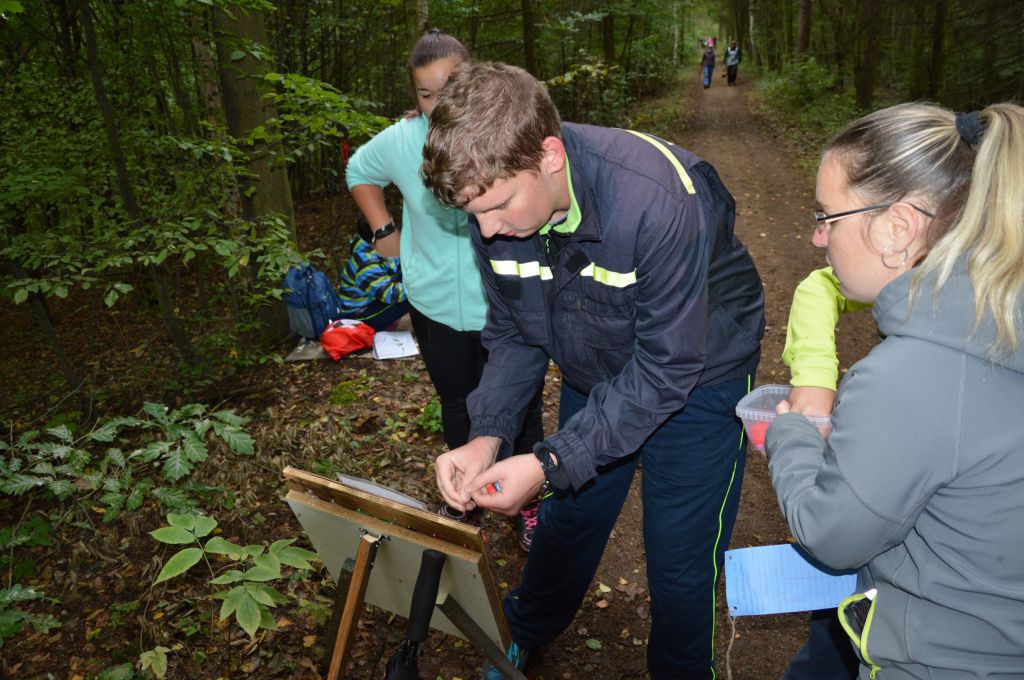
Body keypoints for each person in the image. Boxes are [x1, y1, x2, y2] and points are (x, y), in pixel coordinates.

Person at [421, 61, 765, 679]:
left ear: (549, 156)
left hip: (700, 374)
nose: (487, 231)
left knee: (679, 559)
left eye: (497, 207)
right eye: (473, 214)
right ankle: (523, 633)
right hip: (598, 364)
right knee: (569, 518)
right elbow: (514, 334)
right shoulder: (493, 205)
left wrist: (547, 461)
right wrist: (486, 435)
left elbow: (666, 366)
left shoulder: (655, 201)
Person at [766, 102, 1024, 679]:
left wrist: (791, 432)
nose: (816, 236)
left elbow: (833, 536)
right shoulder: (997, 324)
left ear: (898, 228)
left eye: (828, 216)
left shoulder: (908, 377)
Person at [345, 30, 545, 544]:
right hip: (434, 304)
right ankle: (466, 493)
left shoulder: (502, 132)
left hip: (506, 303)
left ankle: (529, 503)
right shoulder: (402, 140)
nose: (438, 104)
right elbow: (359, 170)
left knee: (520, 405)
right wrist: (384, 231)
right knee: (458, 403)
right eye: (426, 94)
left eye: (450, 88)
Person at [334, 216, 409, 331]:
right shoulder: (366, 264)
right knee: (414, 298)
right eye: (391, 227)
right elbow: (391, 294)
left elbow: (401, 264)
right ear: (379, 236)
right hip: (360, 316)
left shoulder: (380, 246)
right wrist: (421, 285)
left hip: (372, 300)